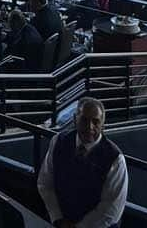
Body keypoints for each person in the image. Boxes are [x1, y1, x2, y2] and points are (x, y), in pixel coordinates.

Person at [37, 97, 128, 228]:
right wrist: (58, 218)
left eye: (95, 122)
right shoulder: (58, 142)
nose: (90, 127)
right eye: (84, 120)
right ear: (75, 119)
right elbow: (45, 183)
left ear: (103, 124)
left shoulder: (115, 159)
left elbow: (111, 210)